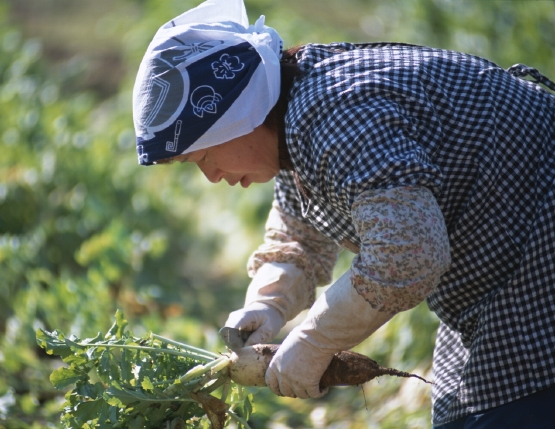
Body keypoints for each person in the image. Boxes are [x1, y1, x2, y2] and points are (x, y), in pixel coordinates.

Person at [132, 0, 555, 427]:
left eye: (203, 155)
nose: (210, 175)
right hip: (498, 274)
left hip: (539, 256)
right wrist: (267, 304)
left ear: (236, 117)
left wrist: (314, 342)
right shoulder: (291, 121)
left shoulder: (335, 114)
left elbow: (407, 254)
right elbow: (297, 239)